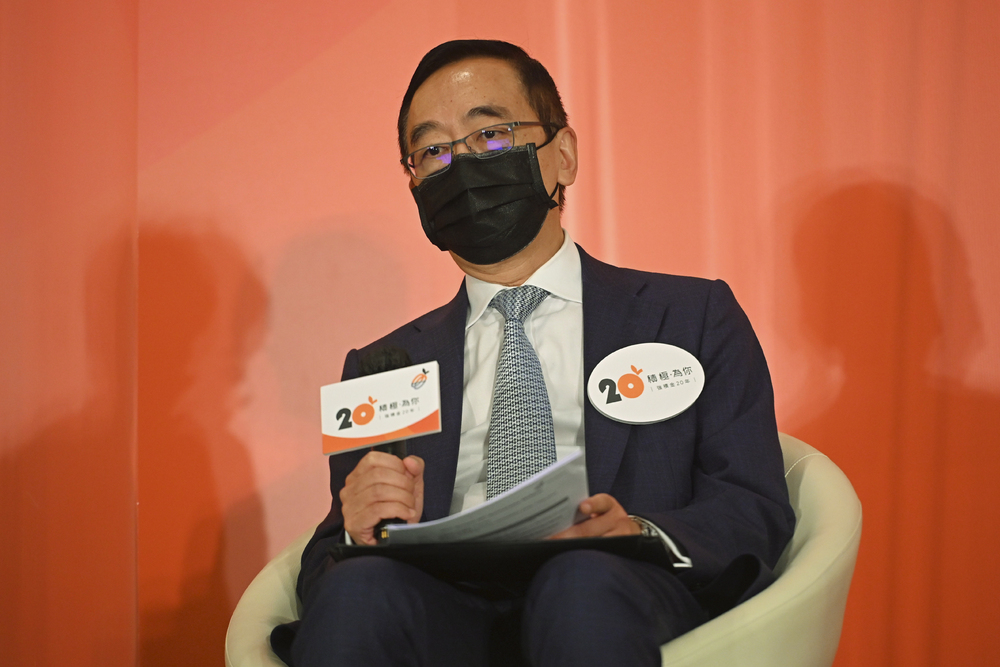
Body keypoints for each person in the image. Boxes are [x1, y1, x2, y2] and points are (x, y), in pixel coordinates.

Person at [286, 40, 794, 667]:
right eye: (433, 151)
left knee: (579, 581)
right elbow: (320, 567)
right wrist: (353, 529)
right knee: (358, 592)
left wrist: (638, 534)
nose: (461, 165)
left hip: (617, 593)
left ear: (564, 154)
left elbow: (751, 505)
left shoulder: (690, 315)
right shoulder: (382, 365)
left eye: (490, 135)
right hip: (442, 612)